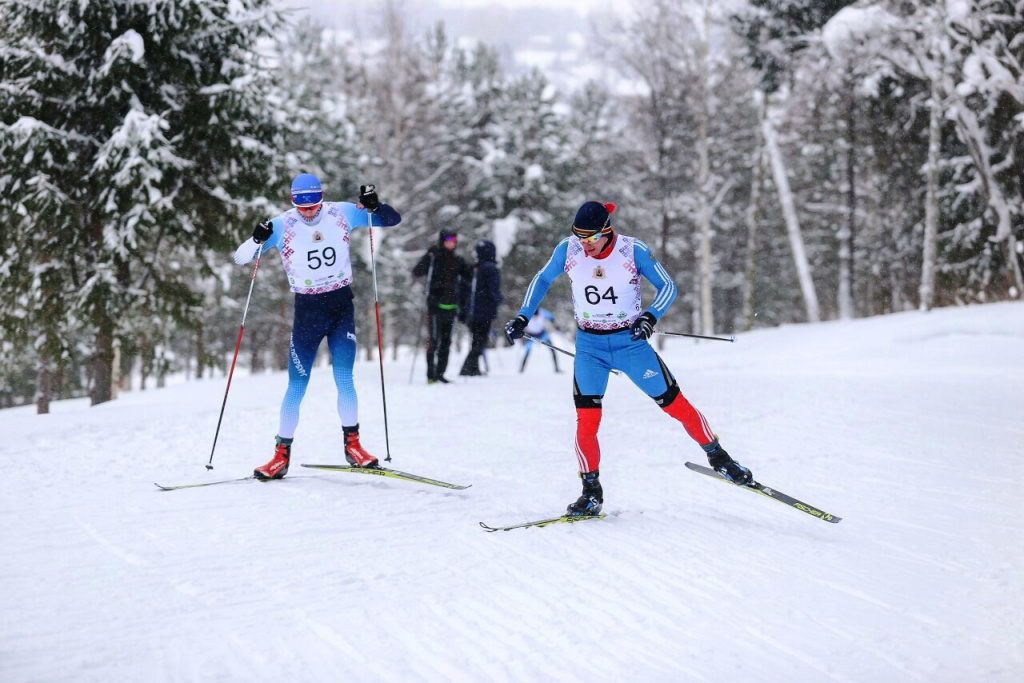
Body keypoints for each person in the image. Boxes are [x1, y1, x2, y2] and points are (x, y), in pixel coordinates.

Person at [503, 200, 752, 516]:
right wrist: (523, 316)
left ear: (607, 231)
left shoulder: (632, 251)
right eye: (580, 238)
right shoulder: (568, 250)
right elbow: (541, 279)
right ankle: (591, 492)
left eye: (591, 238)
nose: (585, 245)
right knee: (586, 422)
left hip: (630, 345)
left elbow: (667, 286)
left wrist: (650, 316)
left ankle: (720, 458)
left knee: (676, 406)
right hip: (590, 347)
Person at [234, 174, 402, 480]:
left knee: (344, 378)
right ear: (293, 202)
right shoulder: (282, 224)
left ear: (321, 199)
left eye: (313, 206)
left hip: (341, 306)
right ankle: (280, 456)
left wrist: (375, 206)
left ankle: (353, 447)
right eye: (302, 207)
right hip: (308, 313)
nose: (309, 212)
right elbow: (241, 258)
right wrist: (256, 239)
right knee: (297, 385)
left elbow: (392, 220)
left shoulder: (341, 212)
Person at [412, 229, 471, 383]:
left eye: (454, 241)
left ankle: (440, 373)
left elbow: (469, 276)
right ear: (442, 241)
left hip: (451, 307)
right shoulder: (434, 257)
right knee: (434, 340)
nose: (451, 243)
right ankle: (431, 374)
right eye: (448, 240)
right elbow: (417, 271)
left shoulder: (458, 260)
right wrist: (428, 257)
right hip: (435, 306)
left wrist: (475, 266)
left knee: (446, 342)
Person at [459, 239, 504, 377]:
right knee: (481, 341)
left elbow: (463, 288)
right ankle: (467, 368)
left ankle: (473, 368)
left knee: (476, 339)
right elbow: (493, 290)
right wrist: (499, 299)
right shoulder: (491, 268)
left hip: (471, 311)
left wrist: (463, 309)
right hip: (484, 311)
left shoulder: (473, 268)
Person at [519, 308, 561, 373]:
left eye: (537, 316)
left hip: (541, 334)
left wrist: (555, 325)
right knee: (527, 351)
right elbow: (520, 319)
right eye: (534, 316)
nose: (535, 317)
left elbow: (551, 317)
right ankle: (521, 370)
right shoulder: (527, 313)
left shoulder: (542, 312)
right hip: (530, 335)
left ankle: (557, 368)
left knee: (552, 348)